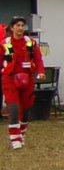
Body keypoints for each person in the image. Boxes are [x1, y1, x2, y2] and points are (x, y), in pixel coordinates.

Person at [4, 17, 44, 149]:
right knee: (14, 108)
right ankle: (15, 139)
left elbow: (38, 59)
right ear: (11, 28)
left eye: (22, 25)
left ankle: (21, 134)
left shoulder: (30, 43)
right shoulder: (6, 44)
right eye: (17, 25)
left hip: (27, 79)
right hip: (10, 79)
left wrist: (40, 71)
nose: (20, 28)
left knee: (26, 110)